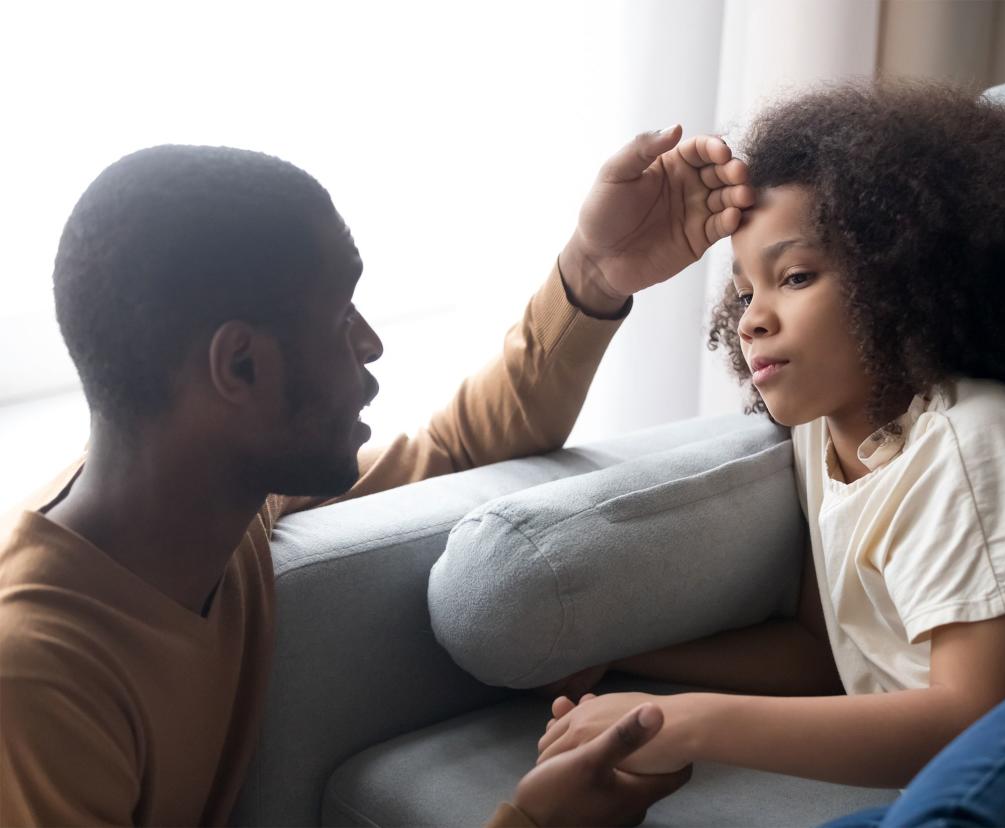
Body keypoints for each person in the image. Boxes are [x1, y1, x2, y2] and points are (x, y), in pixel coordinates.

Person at [535, 81, 1005, 826]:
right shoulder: (822, 440)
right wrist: (629, 668)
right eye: (744, 294)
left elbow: (970, 714)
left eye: (796, 276)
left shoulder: (971, 441)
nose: (753, 320)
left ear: (902, 276)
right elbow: (821, 654)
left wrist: (683, 722)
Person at [0, 127, 751, 826]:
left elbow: (455, 453)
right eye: (341, 318)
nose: (372, 344)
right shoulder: (35, 682)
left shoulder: (201, 501)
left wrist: (592, 272)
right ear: (241, 365)